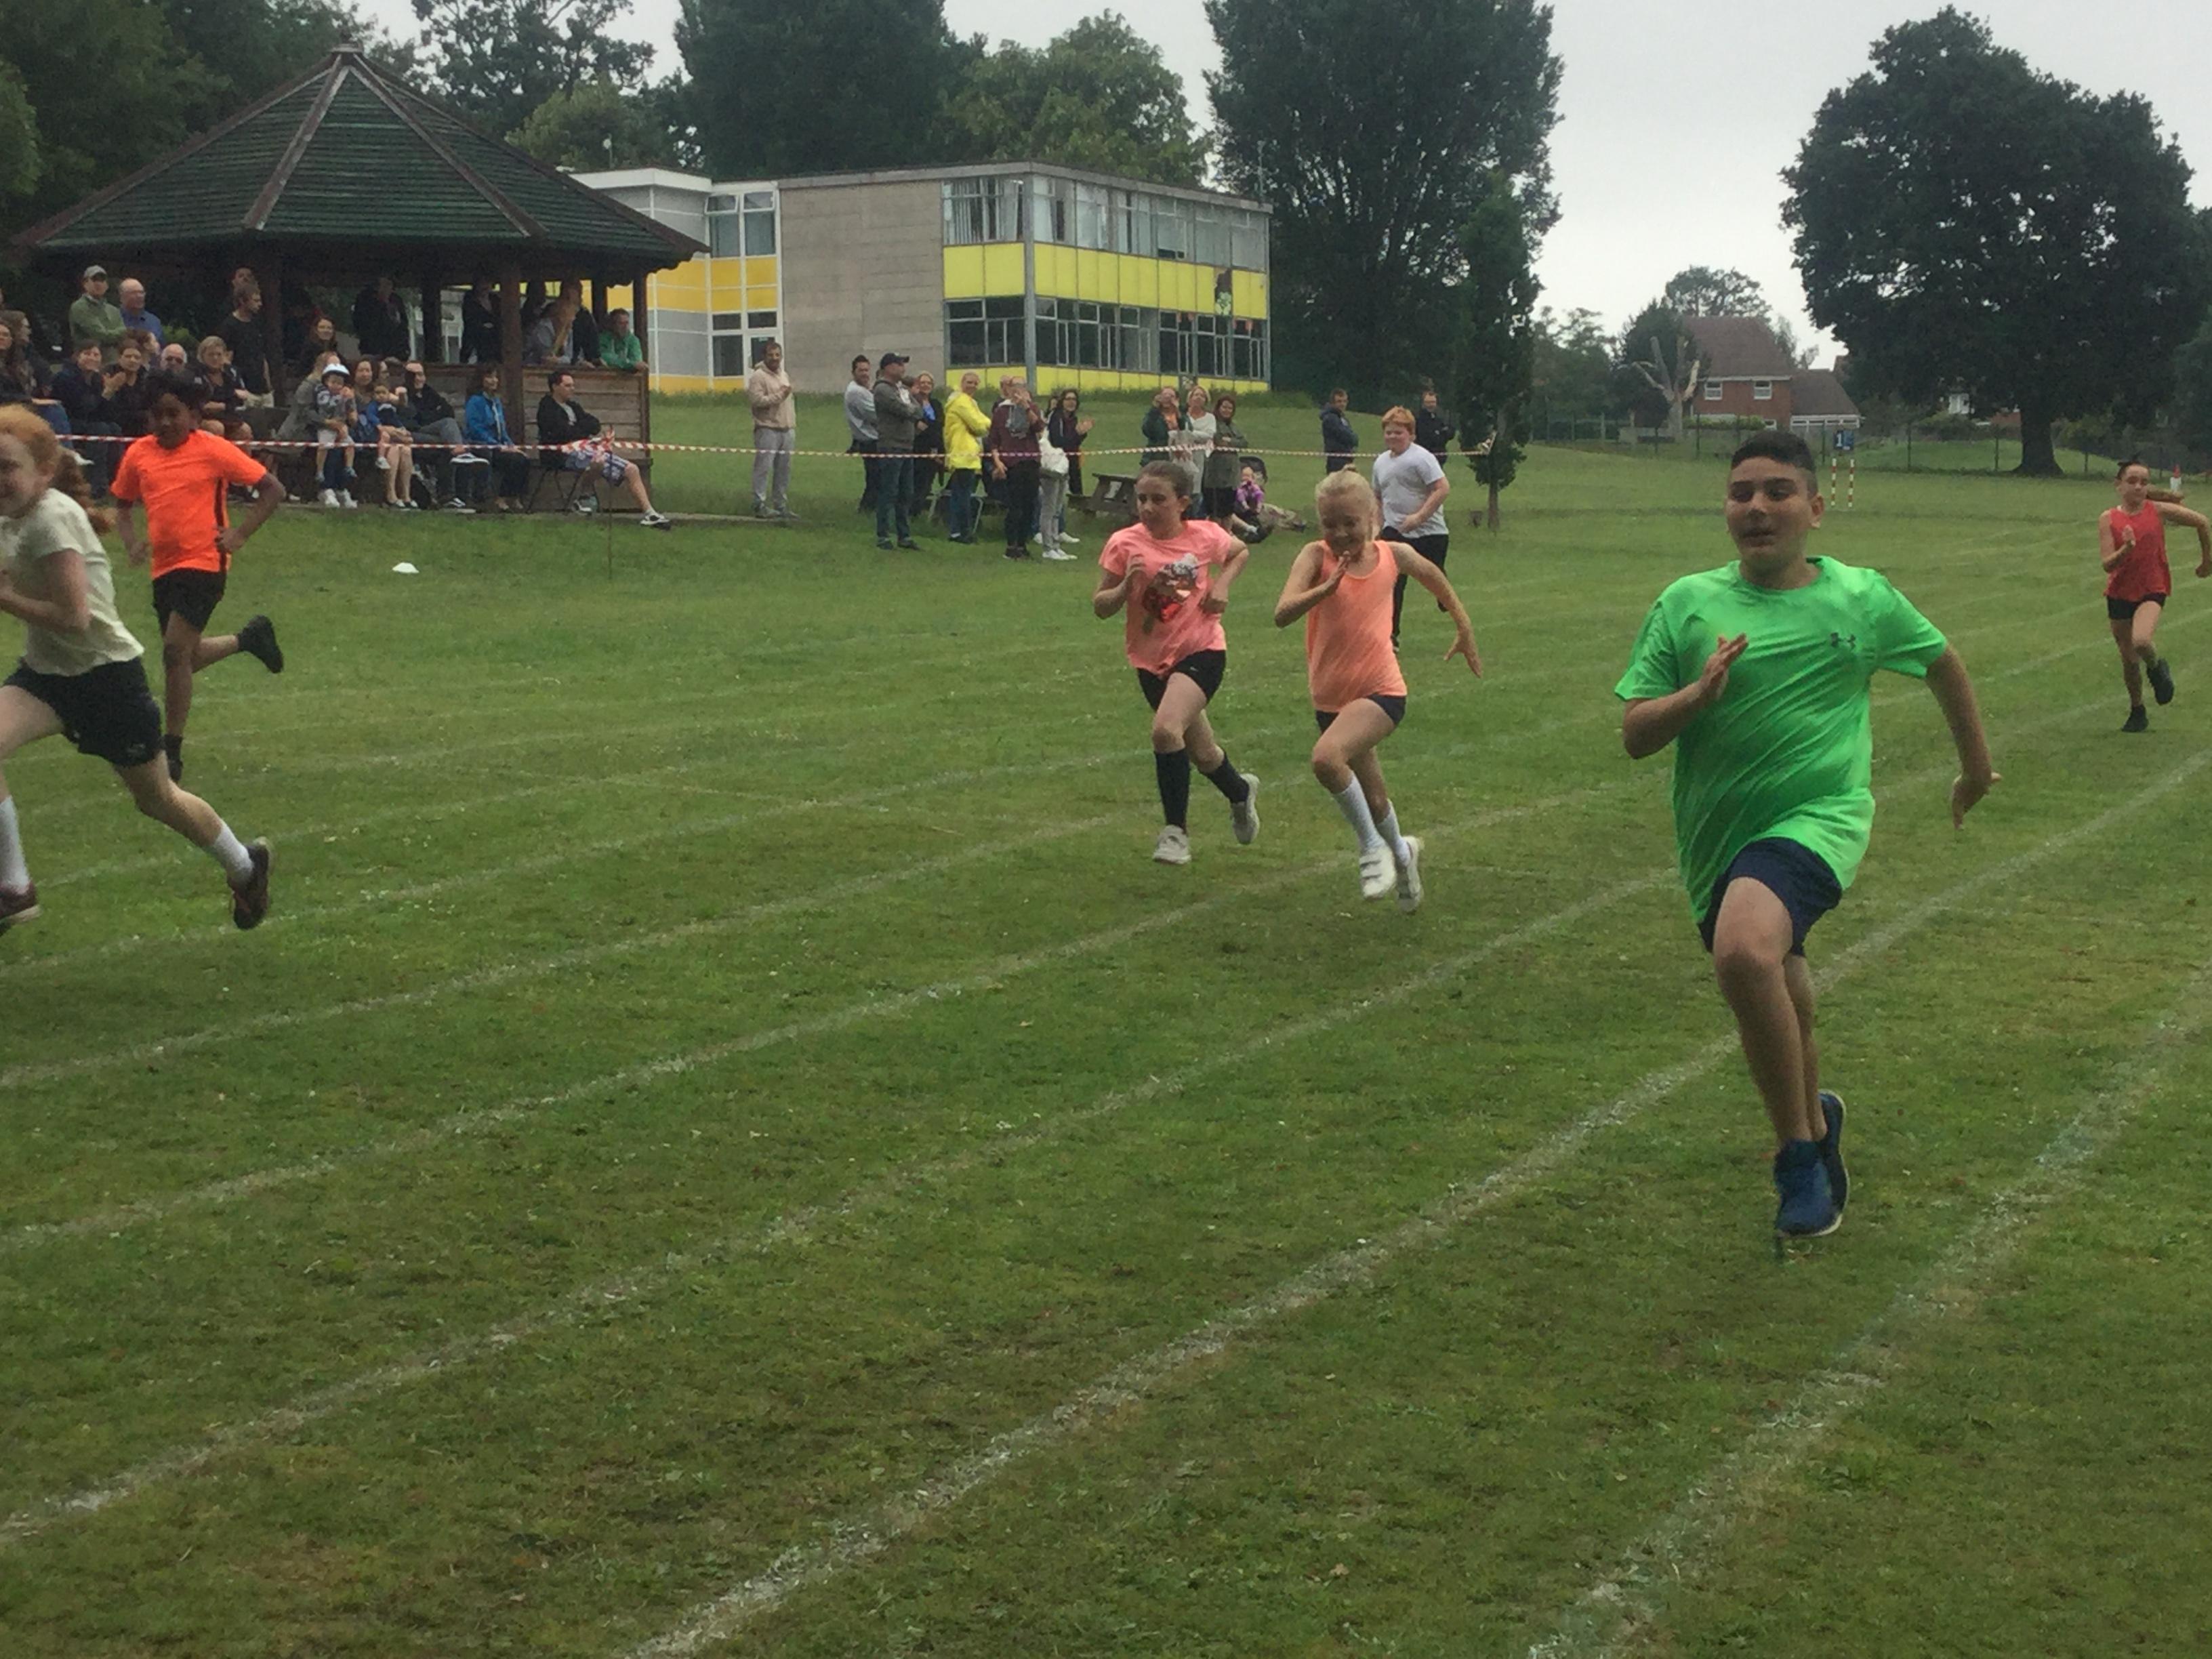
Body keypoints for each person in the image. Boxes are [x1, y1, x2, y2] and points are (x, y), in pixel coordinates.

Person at [1615, 428, 1998, 1240]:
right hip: (1717, 834)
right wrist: (1696, 698)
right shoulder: (1686, 603)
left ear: (1816, 509)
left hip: (1822, 819)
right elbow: (1636, 734)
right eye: (1741, 493)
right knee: (1781, 987)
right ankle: (1819, 1123)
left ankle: (1795, 1155)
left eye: (1778, 491)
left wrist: (1974, 770)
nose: (1757, 507)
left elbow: (1943, 664)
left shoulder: (1862, 598)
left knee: (1743, 951)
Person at [0, 407, 270, 935]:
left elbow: (75, 618)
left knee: (158, 799)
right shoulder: (12, 515)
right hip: (47, 677)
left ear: (44, 470)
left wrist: (5, 598)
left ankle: (245, 867)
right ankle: (14, 887)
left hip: (106, 680)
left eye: (8, 466)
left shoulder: (52, 519)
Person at [1273, 470, 1479, 911]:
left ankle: (1371, 848)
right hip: (1331, 698)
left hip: (1382, 691)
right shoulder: (1315, 557)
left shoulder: (1393, 554)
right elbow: (1282, 613)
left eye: (1350, 522)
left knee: (1326, 759)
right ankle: (1403, 855)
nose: (1340, 533)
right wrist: (1323, 589)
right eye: (1330, 524)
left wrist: (1463, 627)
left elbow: (1433, 575)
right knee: (1375, 797)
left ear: (1372, 517)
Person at [109, 374, 287, 783]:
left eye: (174, 414)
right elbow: (122, 504)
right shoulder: (139, 453)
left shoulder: (212, 449)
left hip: (205, 562)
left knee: (174, 652)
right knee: (183, 658)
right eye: (157, 415)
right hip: (164, 568)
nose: (165, 422)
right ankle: (248, 639)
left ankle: (171, 750)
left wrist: (240, 534)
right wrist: (132, 542)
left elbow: (272, 489)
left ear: (192, 415)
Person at [1092, 461, 1259, 865]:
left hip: (1202, 650)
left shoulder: (1204, 535)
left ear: (1183, 503)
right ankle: (1240, 792)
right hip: (1151, 660)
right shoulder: (1124, 543)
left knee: (1166, 731)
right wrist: (1125, 588)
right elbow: (1100, 606)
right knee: (1203, 754)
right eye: (1142, 499)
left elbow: (1239, 552)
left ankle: (1175, 833)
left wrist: (1221, 587)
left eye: (1159, 500)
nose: (1148, 508)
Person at [2099, 459, 2212, 731]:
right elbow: (2107, 564)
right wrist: (2126, 548)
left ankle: (2156, 667)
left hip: (2153, 588)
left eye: (2144, 482)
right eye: (2132, 481)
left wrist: (2207, 560)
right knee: (2128, 659)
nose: (2138, 487)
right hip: (2119, 593)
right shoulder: (2108, 518)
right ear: (2118, 485)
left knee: (2141, 641)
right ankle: (2137, 710)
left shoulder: (2157, 510)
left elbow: (2202, 522)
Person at [536, 370, 672, 528]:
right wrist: (580, 430)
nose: (572, 389)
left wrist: (577, 429)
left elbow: (594, 425)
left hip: (586, 449)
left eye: (573, 385)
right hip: (560, 455)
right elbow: (561, 433)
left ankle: (650, 513)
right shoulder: (547, 408)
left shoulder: (573, 407)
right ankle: (584, 497)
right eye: (567, 386)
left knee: (631, 469)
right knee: (597, 462)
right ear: (555, 387)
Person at [1370, 405, 1452, 646]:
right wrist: (1377, 528)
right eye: (1389, 432)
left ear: (1411, 434)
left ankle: (1447, 601)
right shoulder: (1380, 462)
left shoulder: (1421, 458)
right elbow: (1377, 497)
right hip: (1395, 532)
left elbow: (1442, 488)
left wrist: (1419, 517)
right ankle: (1391, 636)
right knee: (1393, 583)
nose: (1393, 437)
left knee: (1435, 578)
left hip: (1430, 533)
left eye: (1399, 432)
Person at [399, 361, 476, 511]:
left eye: (421, 374)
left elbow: (448, 410)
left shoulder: (429, 393)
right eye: (413, 375)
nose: (418, 378)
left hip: (433, 433)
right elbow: (413, 420)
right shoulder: (402, 394)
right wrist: (434, 415)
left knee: (450, 440)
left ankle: (456, 497)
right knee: (448, 428)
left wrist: (430, 416)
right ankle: (458, 452)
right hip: (412, 434)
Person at [49, 342, 121, 491]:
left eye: (96, 355)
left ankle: (116, 479)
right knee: (100, 429)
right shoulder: (65, 377)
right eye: (87, 354)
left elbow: (106, 413)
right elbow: (82, 407)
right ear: (77, 356)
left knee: (114, 428)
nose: (92, 358)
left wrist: (110, 394)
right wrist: (106, 394)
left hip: (90, 422)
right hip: (68, 422)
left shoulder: (97, 379)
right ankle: (96, 484)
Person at [987, 375, 1044, 561]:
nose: (1017, 390)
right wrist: (998, 462)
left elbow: (1038, 427)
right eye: (1014, 386)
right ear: (1008, 389)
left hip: (1031, 460)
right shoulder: (1001, 411)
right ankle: (1011, 546)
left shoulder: (1032, 407)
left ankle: (1022, 544)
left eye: (1021, 386)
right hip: (1011, 462)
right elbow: (994, 440)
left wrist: (1025, 406)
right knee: (1015, 506)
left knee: (1030, 505)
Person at [870, 353, 922, 550]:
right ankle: (883, 535)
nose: (903, 368)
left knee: (906, 492)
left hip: (907, 445)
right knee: (889, 491)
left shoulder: (902, 389)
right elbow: (904, 410)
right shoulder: (882, 389)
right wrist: (912, 409)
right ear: (888, 367)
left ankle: (904, 535)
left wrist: (912, 409)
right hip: (891, 445)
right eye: (899, 364)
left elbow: (918, 410)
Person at [464, 366, 531, 512]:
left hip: (499, 445)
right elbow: (475, 428)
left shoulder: (496, 402)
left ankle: (515, 496)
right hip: (483, 446)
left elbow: (502, 429)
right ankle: (501, 497)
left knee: (523, 459)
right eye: (489, 377)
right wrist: (496, 445)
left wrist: (511, 445)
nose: (494, 381)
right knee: (514, 461)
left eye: (495, 377)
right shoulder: (475, 401)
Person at [746, 340, 796, 520]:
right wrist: (780, 396)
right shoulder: (758, 377)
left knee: (784, 470)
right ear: (764, 357)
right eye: (771, 355)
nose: (775, 358)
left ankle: (780, 505)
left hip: (787, 428)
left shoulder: (784, 375)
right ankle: (759, 504)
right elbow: (757, 401)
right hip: (767, 428)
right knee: (763, 468)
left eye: (777, 355)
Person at [943, 371, 991, 544]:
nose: (973, 386)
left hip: (965, 453)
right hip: (964, 453)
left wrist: (984, 424)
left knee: (959, 494)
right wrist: (986, 425)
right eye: (969, 382)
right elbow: (979, 426)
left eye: (976, 383)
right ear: (962, 383)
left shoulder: (969, 402)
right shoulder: (961, 401)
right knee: (963, 496)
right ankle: (964, 532)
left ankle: (956, 531)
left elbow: (982, 421)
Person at [217, 277, 272, 405]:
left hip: (262, 388)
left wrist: (268, 384)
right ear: (242, 301)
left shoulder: (258, 322)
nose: (260, 304)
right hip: (244, 388)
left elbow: (262, 355)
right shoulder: (229, 326)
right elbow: (226, 360)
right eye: (256, 301)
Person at [1047, 388, 1091, 547]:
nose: (1071, 402)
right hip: (1054, 461)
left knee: (1061, 499)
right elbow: (1058, 442)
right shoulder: (1056, 418)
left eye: (1074, 399)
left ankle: (1059, 530)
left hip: (1068, 462)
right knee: (1052, 499)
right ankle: (1048, 532)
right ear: (1062, 401)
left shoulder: (1073, 419)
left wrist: (1082, 434)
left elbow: (1073, 444)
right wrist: (1078, 434)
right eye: (1068, 399)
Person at [312, 363, 359, 508]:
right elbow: (319, 411)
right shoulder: (320, 393)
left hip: (342, 428)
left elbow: (352, 417)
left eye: (340, 383)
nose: (337, 386)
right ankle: (324, 481)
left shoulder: (347, 395)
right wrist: (330, 423)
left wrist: (350, 403)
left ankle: (345, 480)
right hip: (323, 428)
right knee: (327, 447)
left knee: (349, 445)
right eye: (333, 382)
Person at [190, 336, 251, 443]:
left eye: (219, 354)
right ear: (202, 356)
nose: (215, 358)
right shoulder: (195, 374)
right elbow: (203, 405)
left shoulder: (231, 373)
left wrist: (224, 403)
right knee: (216, 428)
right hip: (202, 418)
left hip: (229, 417)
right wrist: (230, 398)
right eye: (211, 354)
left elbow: (242, 398)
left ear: (225, 355)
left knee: (245, 430)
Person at [1201, 393, 1248, 529]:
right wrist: (1229, 442)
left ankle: (1227, 536)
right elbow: (1217, 440)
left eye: (1230, 408)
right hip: (1215, 475)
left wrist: (1229, 441)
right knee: (1216, 512)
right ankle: (1216, 536)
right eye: (1224, 407)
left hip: (1231, 476)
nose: (1227, 410)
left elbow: (1244, 442)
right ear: (1218, 407)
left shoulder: (1233, 426)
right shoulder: (1212, 423)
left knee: (1228, 511)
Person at [368, 382, 417, 508]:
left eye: (383, 393)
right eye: (377, 393)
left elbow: (397, 418)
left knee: (406, 450)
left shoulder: (391, 406)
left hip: (396, 433)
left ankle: (406, 495)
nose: (381, 396)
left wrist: (402, 429)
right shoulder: (373, 407)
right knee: (394, 450)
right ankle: (391, 494)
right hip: (380, 436)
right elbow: (372, 418)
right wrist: (382, 428)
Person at [1034, 409, 1073, 561]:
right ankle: (1048, 547)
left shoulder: (1054, 431)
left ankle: (1056, 545)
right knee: (1048, 510)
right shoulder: (1041, 439)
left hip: (1061, 469)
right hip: (1049, 472)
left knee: (1057, 510)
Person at [844, 354, 879, 512]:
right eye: (861, 370)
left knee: (875, 477)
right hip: (870, 440)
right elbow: (876, 415)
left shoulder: (864, 390)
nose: (865, 374)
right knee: (875, 478)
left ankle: (870, 508)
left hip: (870, 438)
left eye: (867, 370)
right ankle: (867, 509)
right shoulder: (856, 392)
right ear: (853, 372)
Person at [68, 266, 127, 359]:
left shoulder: (114, 310)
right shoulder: (79, 307)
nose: (99, 283)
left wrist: (121, 333)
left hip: (113, 360)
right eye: (95, 280)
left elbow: (123, 333)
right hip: (88, 359)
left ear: (107, 285)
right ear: (85, 283)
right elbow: (101, 335)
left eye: (102, 280)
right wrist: (120, 334)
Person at [1174, 384, 1214, 508]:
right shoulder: (1183, 416)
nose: (1199, 398)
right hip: (1180, 455)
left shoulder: (1210, 418)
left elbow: (1209, 435)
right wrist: (1193, 435)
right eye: (1196, 395)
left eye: (1202, 396)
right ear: (1190, 398)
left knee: (1195, 488)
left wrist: (1189, 434)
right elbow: (1175, 432)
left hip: (1198, 456)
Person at [909, 371, 943, 520]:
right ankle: (911, 513)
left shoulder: (936, 404)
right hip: (918, 449)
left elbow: (939, 424)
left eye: (929, 383)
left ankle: (917, 512)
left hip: (934, 448)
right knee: (916, 482)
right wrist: (925, 425)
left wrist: (928, 426)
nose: (926, 385)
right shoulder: (913, 403)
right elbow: (916, 424)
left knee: (927, 483)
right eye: (923, 383)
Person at [352, 276, 411, 361]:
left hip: (396, 354)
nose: (387, 288)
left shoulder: (396, 301)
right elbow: (361, 325)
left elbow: (402, 327)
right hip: (372, 351)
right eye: (383, 285)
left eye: (389, 285)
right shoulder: (366, 301)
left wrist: (402, 352)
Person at [459, 280, 499, 364]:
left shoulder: (496, 300)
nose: (485, 286)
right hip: (477, 337)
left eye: (488, 282)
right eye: (482, 283)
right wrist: (483, 326)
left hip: (496, 340)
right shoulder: (470, 300)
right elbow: (470, 321)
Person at [1141, 384, 1181, 465]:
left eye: (1171, 396)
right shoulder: (1154, 415)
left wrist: (1178, 411)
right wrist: (1155, 408)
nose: (1168, 399)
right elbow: (1147, 430)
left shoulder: (1181, 415)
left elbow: (1188, 429)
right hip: (1155, 458)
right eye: (1165, 396)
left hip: (1177, 459)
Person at [117, 279, 163, 346]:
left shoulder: (154, 321)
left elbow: (162, 347)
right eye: (134, 293)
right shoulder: (114, 319)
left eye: (141, 292)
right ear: (122, 297)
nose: (139, 296)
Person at [1322, 388, 1357, 474]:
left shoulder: (1342, 418)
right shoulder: (1330, 419)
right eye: (1339, 401)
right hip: (1336, 461)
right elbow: (1346, 436)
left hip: (1346, 459)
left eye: (1345, 401)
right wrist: (1354, 438)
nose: (1342, 404)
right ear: (1333, 403)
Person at [293, 314, 341, 380]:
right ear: (316, 330)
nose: (326, 330)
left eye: (329, 328)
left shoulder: (335, 350)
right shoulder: (309, 350)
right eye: (322, 327)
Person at [1414, 387, 1454, 463]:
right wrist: (1441, 434)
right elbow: (1428, 439)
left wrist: (1441, 434)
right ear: (1423, 404)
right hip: (1424, 458)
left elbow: (1450, 433)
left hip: (1439, 459)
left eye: (1433, 402)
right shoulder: (1419, 420)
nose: (1431, 405)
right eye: (1428, 402)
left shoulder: (1438, 419)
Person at [600, 308, 645, 373]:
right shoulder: (603, 339)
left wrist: (621, 363)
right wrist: (628, 364)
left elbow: (637, 362)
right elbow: (604, 357)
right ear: (612, 325)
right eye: (621, 323)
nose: (625, 327)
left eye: (627, 323)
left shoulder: (633, 340)